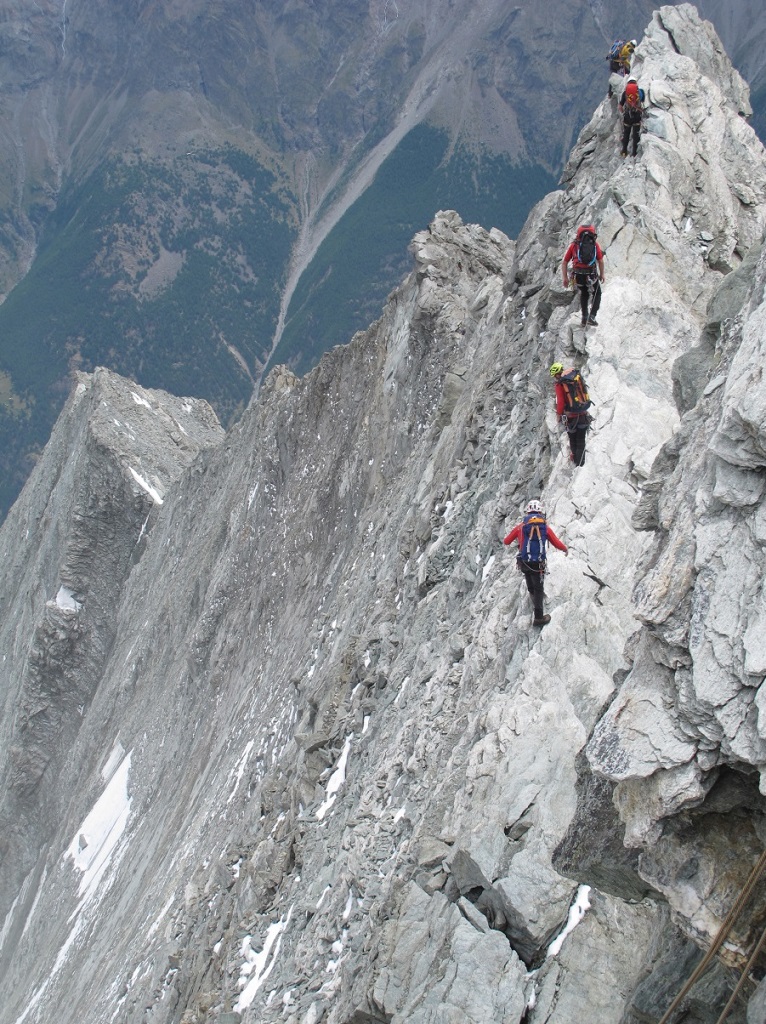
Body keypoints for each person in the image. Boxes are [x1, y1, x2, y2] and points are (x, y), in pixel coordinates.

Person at [504, 500, 568, 627]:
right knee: (539, 589)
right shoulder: (544, 527)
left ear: (528, 512)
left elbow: (506, 541)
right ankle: (538, 617)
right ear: (540, 512)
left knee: (531, 584)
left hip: (524, 562)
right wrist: (564, 549)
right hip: (538, 563)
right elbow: (555, 542)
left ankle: (532, 598)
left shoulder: (521, 527)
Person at [561, 225, 605, 327]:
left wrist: (565, 278)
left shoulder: (574, 246)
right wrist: (602, 274)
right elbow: (601, 261)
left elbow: (565, 262)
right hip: (591, 274)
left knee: (584, 293)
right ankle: (592, 316)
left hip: (578, 275)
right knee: (597, 293)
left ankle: (584, 318)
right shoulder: (595, 245)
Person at [550, 362, 592, 466]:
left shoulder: (560, 384)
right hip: (583, 413)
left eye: (554, 375)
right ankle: (581, 462)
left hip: (571, 417)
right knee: (581, 440)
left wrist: (558, 415)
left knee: (573, 440)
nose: (554, 378)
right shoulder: (574, 378)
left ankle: (577, 463)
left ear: (557, 374)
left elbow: (560, 402)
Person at [619, 75, 645, 157]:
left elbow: (620, 106)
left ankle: (624, 151)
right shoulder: (640, 92)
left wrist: (623, 111)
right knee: (636, 135)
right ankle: (634, 153)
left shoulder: (625, 93)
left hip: (628, 116)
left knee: (626, 133)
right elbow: (643, 101)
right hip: (637, 115)